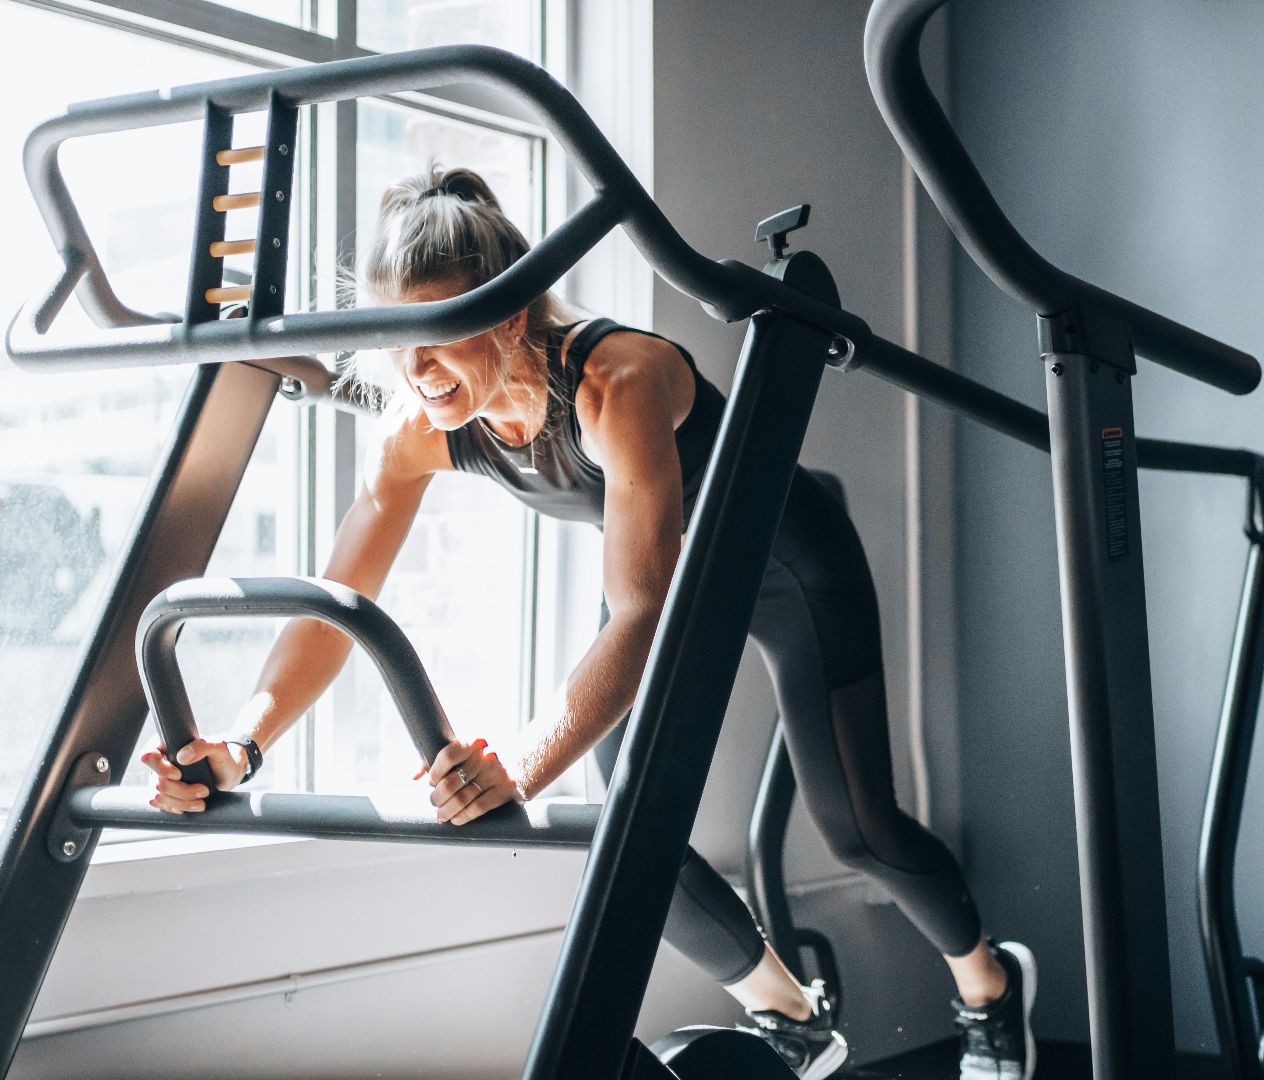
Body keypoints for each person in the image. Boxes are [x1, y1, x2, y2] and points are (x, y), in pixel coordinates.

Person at [141, 167, 1038, 1080]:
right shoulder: (422, 424)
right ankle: (792, 1014)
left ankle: (991, 990)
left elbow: (645, 613)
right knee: (623, 814)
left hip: (791, 567)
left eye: (440, 334)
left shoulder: (616, 379)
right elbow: (335, 608)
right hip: (664, 565)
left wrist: (516, 769)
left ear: (510, 313)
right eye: (396, 338)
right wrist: (242, 745)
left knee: (855, 826)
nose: (418, 371)